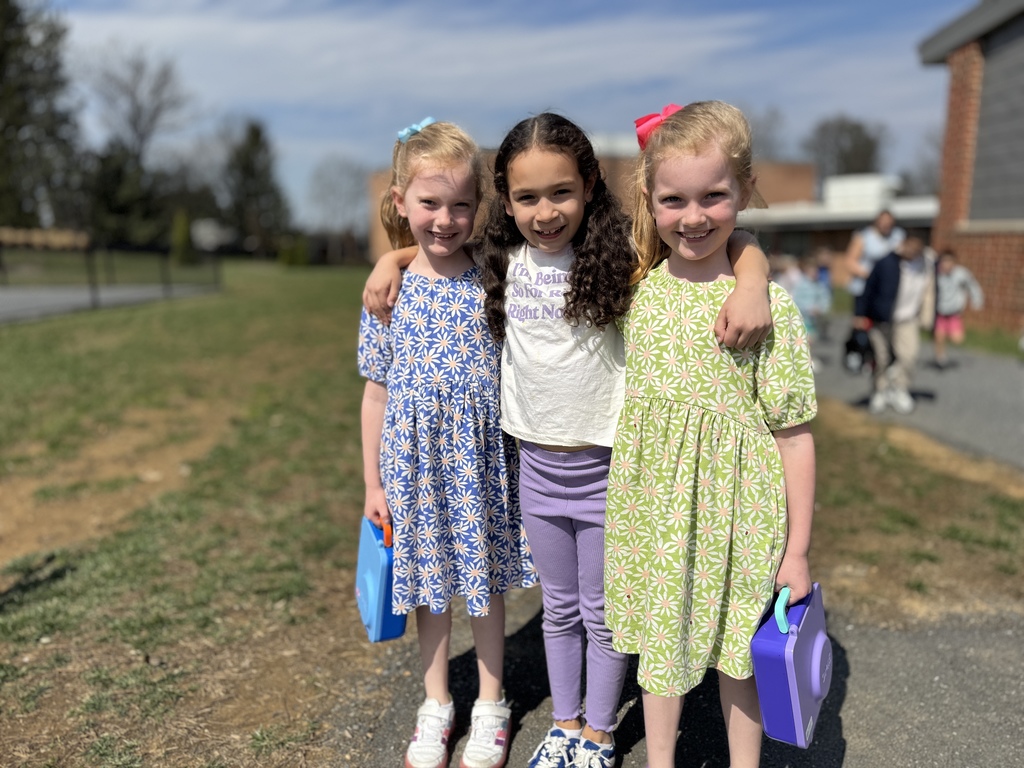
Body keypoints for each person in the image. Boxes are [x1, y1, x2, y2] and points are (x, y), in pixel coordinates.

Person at [364, 112, 773, 768]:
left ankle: (601, 734)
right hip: (535, 470)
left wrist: (752, 281)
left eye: (561, 192)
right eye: (526, 197)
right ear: (506, 201)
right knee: (558, 609)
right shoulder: (501, 259)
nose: (546, 211)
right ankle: (566, 722)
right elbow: (441, 251)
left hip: (612, 470)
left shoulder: (622, 260)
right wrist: (394, 255)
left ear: (589, 186)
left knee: (605, 612)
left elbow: (730, 235)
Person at [604, 101, 817, 768]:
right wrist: (397, 256)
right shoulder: (635, 291)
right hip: (655, 510)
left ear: (746, 190)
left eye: (714, 197)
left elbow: (794, 435)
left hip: (738, 516)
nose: (693, 216)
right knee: (660, 649)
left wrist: (798, 550)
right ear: (648, 198)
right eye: (674, 199)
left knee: (740, 652)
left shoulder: (766, 307)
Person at [358, 118, 537, 768]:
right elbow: (375, 392)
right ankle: (436, 704)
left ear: (479, 208)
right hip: (415, 470)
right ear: (401, 201)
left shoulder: (494, 274)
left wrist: (393, 251)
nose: (446, 218)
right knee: (432, 592)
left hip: (480, 463)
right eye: (430, 204)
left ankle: (491, 703)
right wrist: (373, 484)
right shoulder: (388, 292)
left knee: (485, 588)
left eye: (462, 204)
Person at [856, 236, 935, 414]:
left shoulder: (927, 265)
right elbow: (868, 288)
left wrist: (929, 317)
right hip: (882, 319)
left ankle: (900, 388)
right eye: (909, 247)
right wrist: (860, 313)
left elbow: (933, 287)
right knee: (881, 358)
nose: (912, 251)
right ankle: (880, 390)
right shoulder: (886, 262)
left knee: (909, 356)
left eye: (917, 248)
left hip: (908, 319)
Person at [844, 209, 906, 319]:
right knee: (862, 321)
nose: (886, 226)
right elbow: (850, 261)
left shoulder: (898, 235)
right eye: (883, 222)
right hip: (865, 287)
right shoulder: (864, 236)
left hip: (886, 288)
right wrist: (870, 275)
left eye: (889, 223)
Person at [932, 249, 983, 369]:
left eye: (949, 261)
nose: (946, 265)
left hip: (954, 312)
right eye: (944, 261)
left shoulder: (961, 274)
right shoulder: (936, 274)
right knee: (939, 337)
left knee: (957, 339)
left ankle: (946, 337)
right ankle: (940, 358)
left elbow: (973, 286)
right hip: (940, 311)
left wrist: (977, 300)